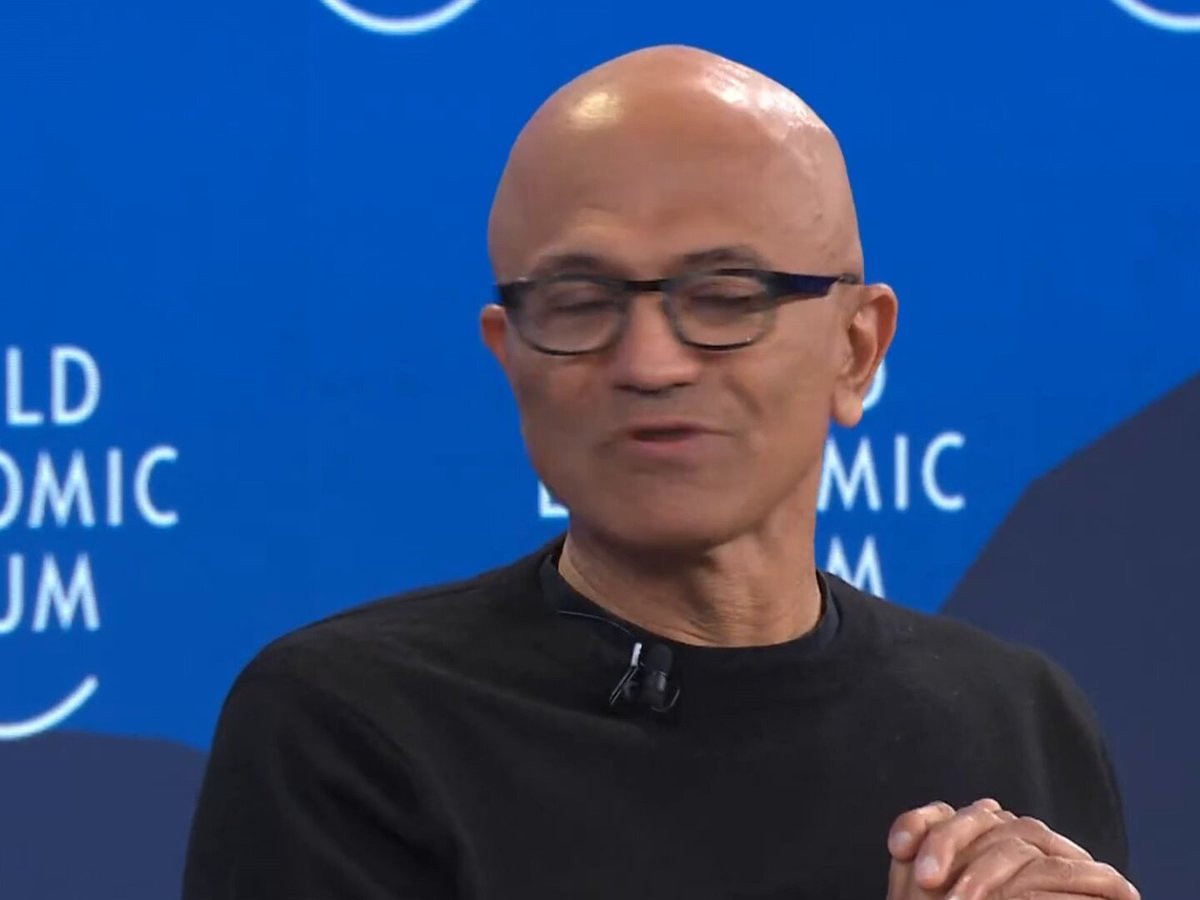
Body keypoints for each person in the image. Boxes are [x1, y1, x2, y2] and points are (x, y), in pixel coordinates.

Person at [182, 45, 1140, 899]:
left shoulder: (1017, 719)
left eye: (724, 297)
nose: (649, 362)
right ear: (510, 356)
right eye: (578, 302)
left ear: (856, 351)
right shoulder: (351, 729)